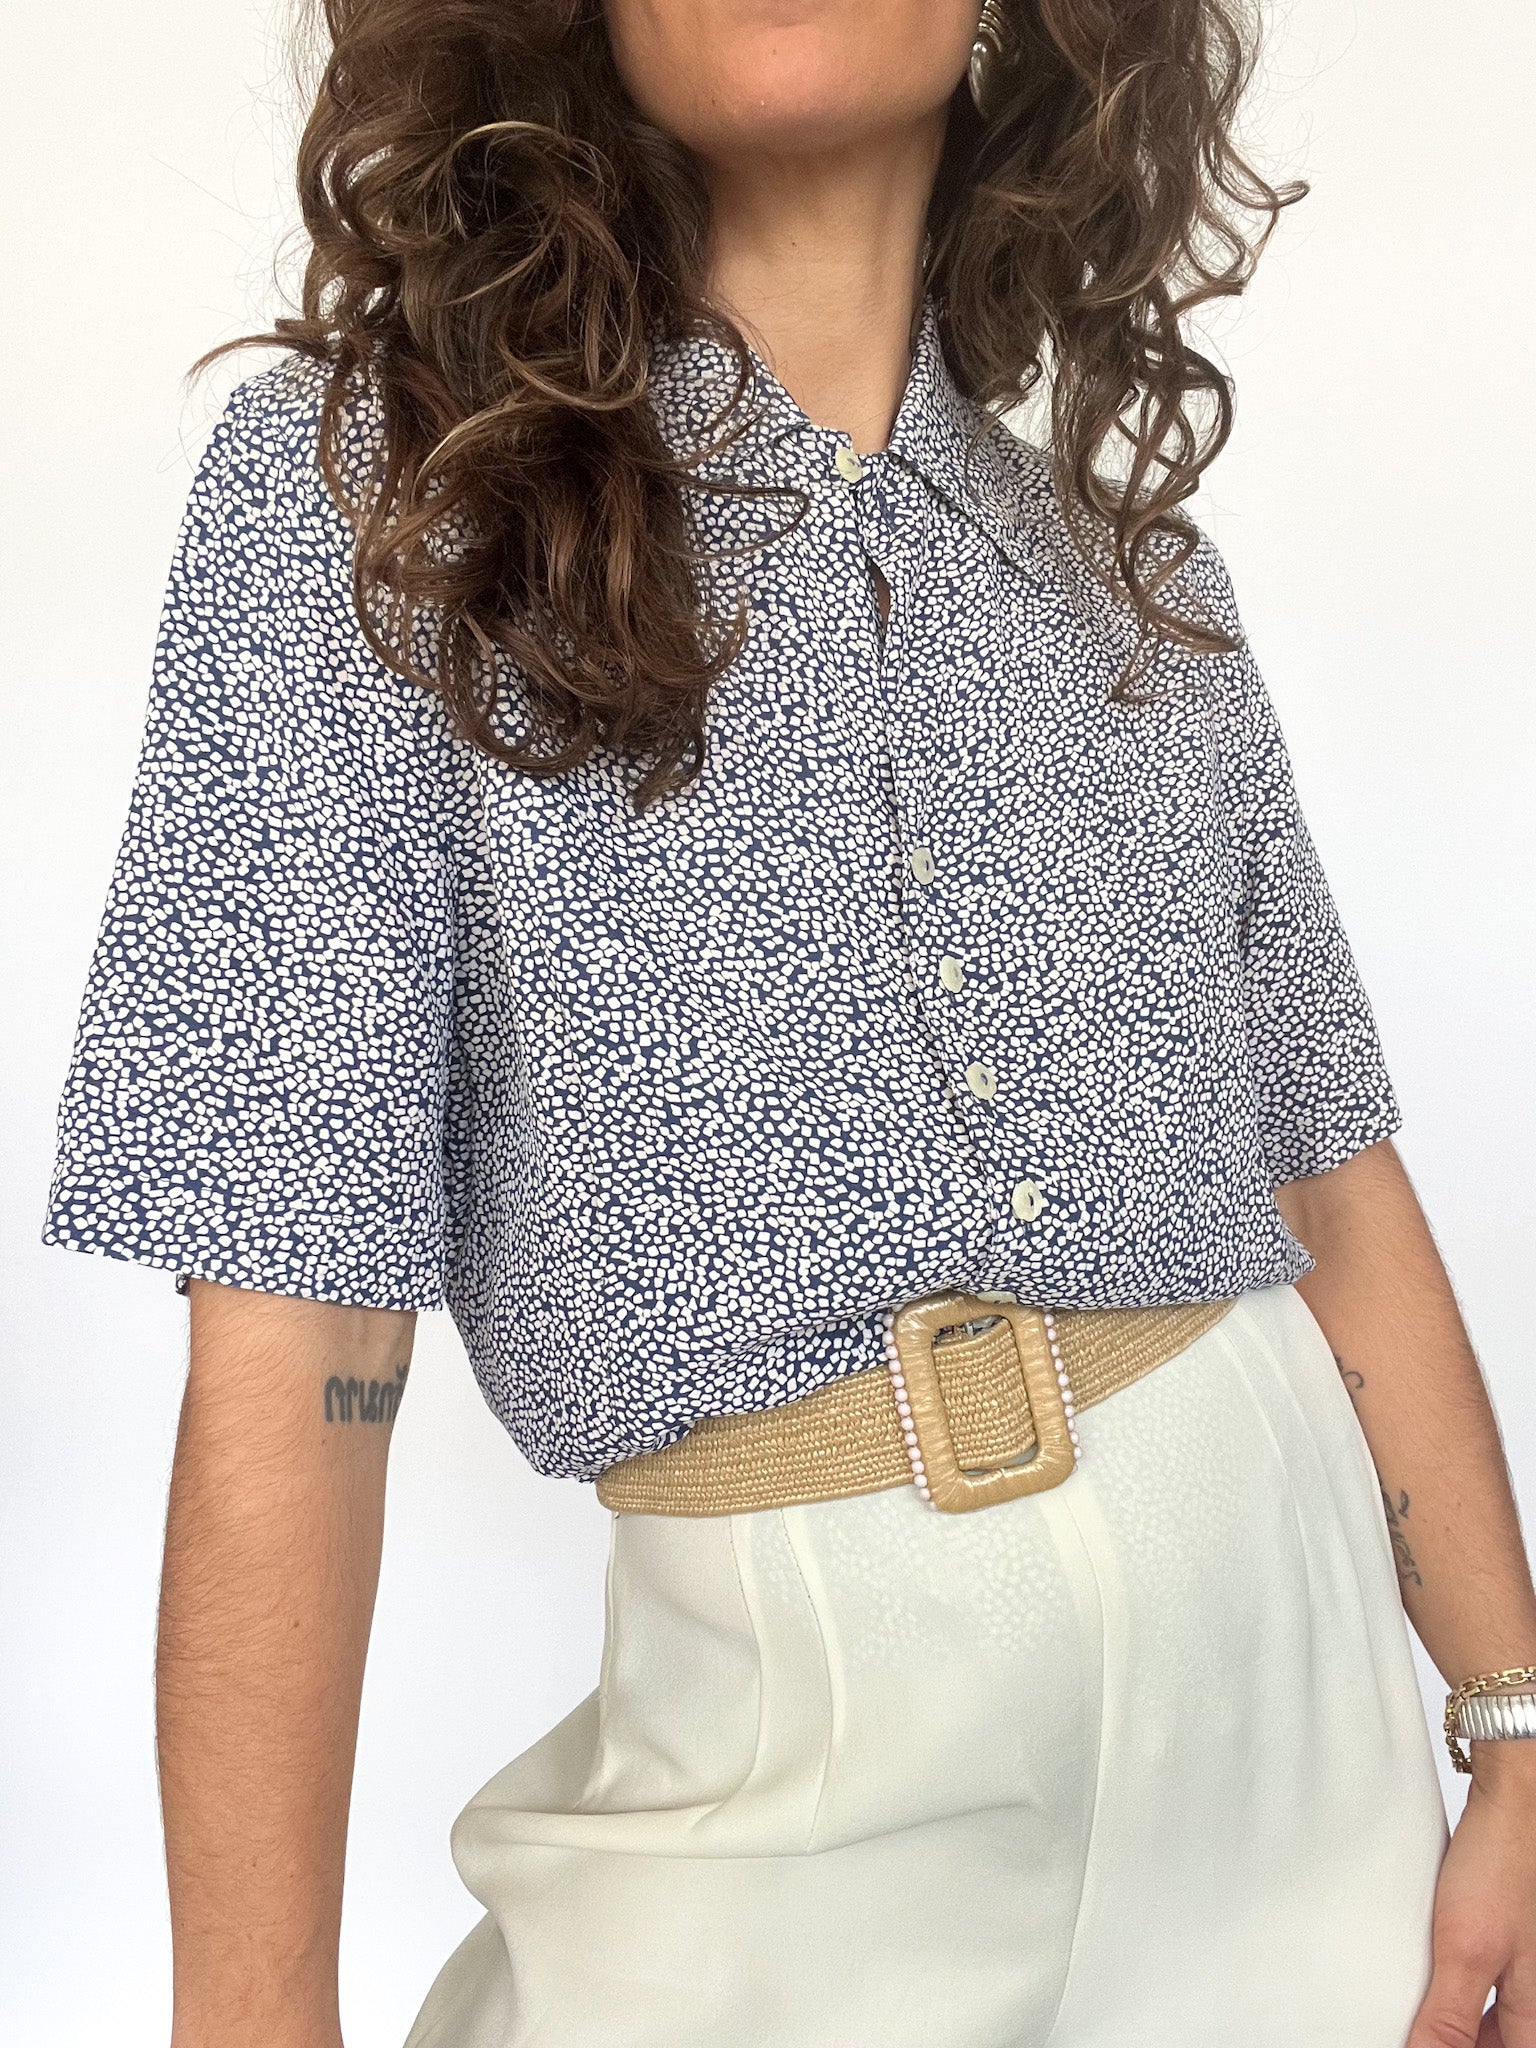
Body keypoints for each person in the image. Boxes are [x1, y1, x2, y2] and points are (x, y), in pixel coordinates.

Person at [39, 0, 1536, 2043]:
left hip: (1298, 1723)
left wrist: (1514, 1724)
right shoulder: (382, 514)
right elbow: (298, 1340)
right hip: (781, 1774)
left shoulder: (1135, 582)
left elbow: (1333, 1176)